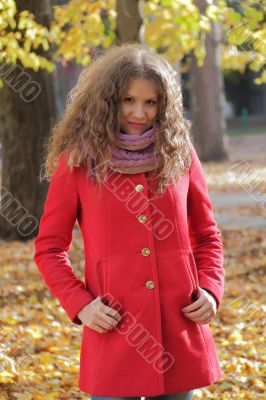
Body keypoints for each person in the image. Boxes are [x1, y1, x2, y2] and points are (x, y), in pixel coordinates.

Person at [34, 43, 225, 400]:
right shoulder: (78, 160)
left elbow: (207, 235)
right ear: (109, 100)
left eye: (151, 102)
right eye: (128, 100)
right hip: (114, 331)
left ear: (163, 105)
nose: (139, 112)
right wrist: (80, 304)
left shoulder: (178, 154)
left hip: (178, 329)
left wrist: (212, 289)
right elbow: (49, 248)